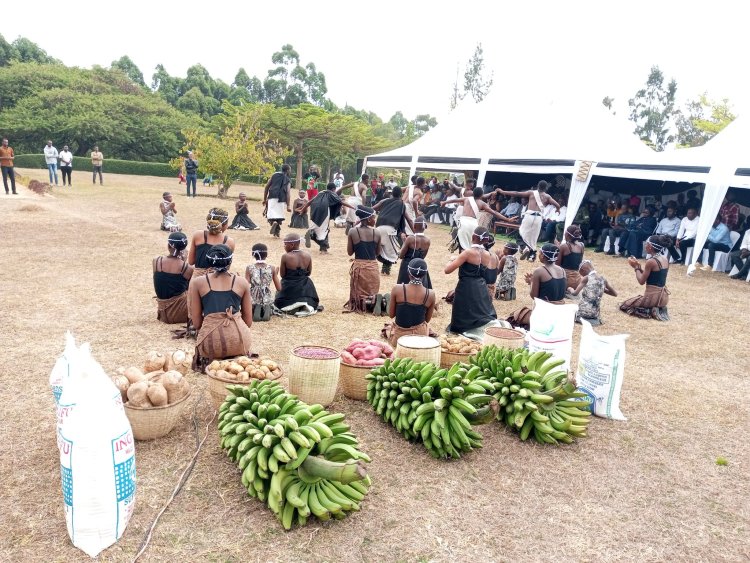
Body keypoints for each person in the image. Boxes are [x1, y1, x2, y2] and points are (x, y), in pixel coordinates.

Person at [189, 244, 253, 369]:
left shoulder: (197, 283)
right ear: (230, 261)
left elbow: (196, 324)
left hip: (211, 345)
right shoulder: (242, 282)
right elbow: (248, 322)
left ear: (209, 261)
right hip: (240, 342)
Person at [444, 226, 498, 334]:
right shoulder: (487, 254)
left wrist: (451, 260)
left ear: (473, 236)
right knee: (477, 311)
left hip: (466, 286)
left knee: (463, 312)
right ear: (486, 240)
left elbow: (447, 270)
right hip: (481, 287)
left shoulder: (467, 253)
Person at [506, 243, 566, 330]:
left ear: (543, 256)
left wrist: (531, 283)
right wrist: (533, 282)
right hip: (560, 312)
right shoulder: (562, 270)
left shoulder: (539, 271)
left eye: (540, 252)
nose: (538, 254)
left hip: (545, 312)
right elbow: (556, 289)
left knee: (513, 318)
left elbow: (534, 296)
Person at [496, 180, 561, 261]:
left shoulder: (531, 193)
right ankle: (531, 256)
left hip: (529, 216)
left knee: (521, 233)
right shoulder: (547, 197)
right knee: (533, 237)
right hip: (538, 218)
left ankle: (524, 248)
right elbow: (557, 205)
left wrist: (502, 192)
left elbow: (516, 193)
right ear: (546, 188)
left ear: (538, 186)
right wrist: (558, 209)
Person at [383, 258, 437, 346]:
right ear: (425, 274)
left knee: (388, 328)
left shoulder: (397, 289)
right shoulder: (430, 294)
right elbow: (426, 320)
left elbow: (391, 314)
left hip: (400, 339)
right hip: (420, 339)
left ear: (408, 272)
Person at [620, 235, 672, 321]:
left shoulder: (651, 261)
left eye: (646, 244)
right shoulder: (665, 259)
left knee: (625, 305)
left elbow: (641, 281)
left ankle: (649, 311)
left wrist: (636, 268)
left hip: (652, 298)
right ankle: (657, 309)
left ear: (650, 246)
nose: (645, 246)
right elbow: (654, 276)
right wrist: (640, 268)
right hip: (664, 298)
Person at [345, 206, 384, 313]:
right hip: (372, 269)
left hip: (359, 269)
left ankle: (359, 303)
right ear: (368, 219)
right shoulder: (377, 232)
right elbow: (378, 253)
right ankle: (374, 302)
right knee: (372, 291)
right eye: (373, 217)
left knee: (358, 293)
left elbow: (350, 252)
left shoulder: (353, 231)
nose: (375, 220)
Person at [300, 182, 356, 253]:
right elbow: (341, 202)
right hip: (325, 211)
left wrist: (302, 210)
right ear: (333, 189)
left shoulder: (320, 193)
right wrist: (352, 207)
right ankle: (320, 246)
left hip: (315, 211)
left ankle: (312, 233)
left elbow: (309, 202)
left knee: (317, 226)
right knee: (324, 230)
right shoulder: (332, 194)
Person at [274, 233, 320, 315]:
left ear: (292, 245)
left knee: (279, 301)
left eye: (285, 244)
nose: (284, 246)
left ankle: (292, 305)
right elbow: (309, 273)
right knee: (307, 281)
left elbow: (283, 275)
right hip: (305, 288)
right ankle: (304, 304)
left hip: (289, 287)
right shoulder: (307, 255)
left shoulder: (285, 256)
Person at [153, 232, 193, 324]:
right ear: (184, 248)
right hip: (181, 313)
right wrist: (183, 261)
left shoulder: (156, 261)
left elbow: (164, 282)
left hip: (163, 313)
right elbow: (188, 287)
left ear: (168, 246)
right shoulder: (186, 268)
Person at [373, 186, 414, 273]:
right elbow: (409, 220)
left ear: (392, 194)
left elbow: (372, 209)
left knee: (378, 249)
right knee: (393, 252)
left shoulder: (384, 201)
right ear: (401, 195)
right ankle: (386, 267)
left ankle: (378, 265)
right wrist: (416, 233)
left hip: (378, 228)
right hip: (389, 229)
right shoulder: (401, 204)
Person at [569, 260, 616, 326]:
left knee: (571, 309)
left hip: (583, 312)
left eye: (581, 273)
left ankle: (580, 318)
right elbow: (615, 294)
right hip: (595, 314)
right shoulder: (603, 279)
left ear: (583, 270)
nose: (581, 275)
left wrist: (570, 289)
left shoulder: (586, 278)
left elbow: (575, 293)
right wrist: (602, 289)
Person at [246, 243, 281, 322]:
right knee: (268, 300)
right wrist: (275, 274)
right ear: (266, 255)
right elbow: (279, 288)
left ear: (253, 255)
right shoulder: (271, 268)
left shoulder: (249, 268)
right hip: (266, 297)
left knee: (250, 301)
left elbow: (245, 285)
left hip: (253, 297)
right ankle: (266, 307)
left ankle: (255, 308)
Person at [397, 217, 431, 287]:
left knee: (404, 288)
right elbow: (423, 257)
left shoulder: (410, 239)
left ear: (414, 226)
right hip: (420, 266)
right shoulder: (427, 241)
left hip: (407, 266)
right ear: (425, 227)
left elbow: (401, 256)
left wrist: (404, 242)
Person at [263, 164, 292, 237]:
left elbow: (267, 187)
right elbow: (288, 192)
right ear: (287, 170)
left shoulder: (274, 175)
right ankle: (277, 231)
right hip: (282, 198)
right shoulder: (288, 179)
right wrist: (288, 205)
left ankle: (274, 224)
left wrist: (264, 199)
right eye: (290, 170)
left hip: (272, 195)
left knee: (271, 214)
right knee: (279, 215)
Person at [556, 225, 585, 289]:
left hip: (565, 279)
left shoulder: (564, 246)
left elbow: (557, 265)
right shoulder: (582, 245)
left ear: (567, 234)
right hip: (578, 280)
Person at [482, 234, 500, 299]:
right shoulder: (496, 256)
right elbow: (497, 271)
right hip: (492, 288)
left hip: (482, 286)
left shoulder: (480, 254)